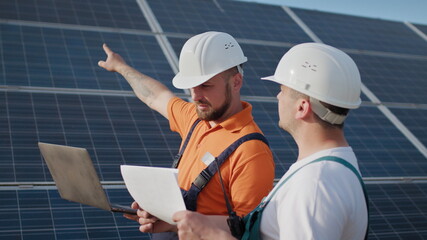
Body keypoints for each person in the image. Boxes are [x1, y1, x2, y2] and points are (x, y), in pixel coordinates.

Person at [172, 42, 369, 240]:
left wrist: (213, 236)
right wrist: (189, 223)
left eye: (283, 90)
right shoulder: (338, 166)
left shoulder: (313, 186)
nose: (278, 96)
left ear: (302, 107)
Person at [98, 31, 275, 238]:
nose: (195, 95)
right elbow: (155, 96)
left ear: (236, 82)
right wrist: (121, 67)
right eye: (191, 86)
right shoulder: (196, 118)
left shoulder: (251, 151)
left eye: (206, 86)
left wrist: (174, 223)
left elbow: (247, 228)